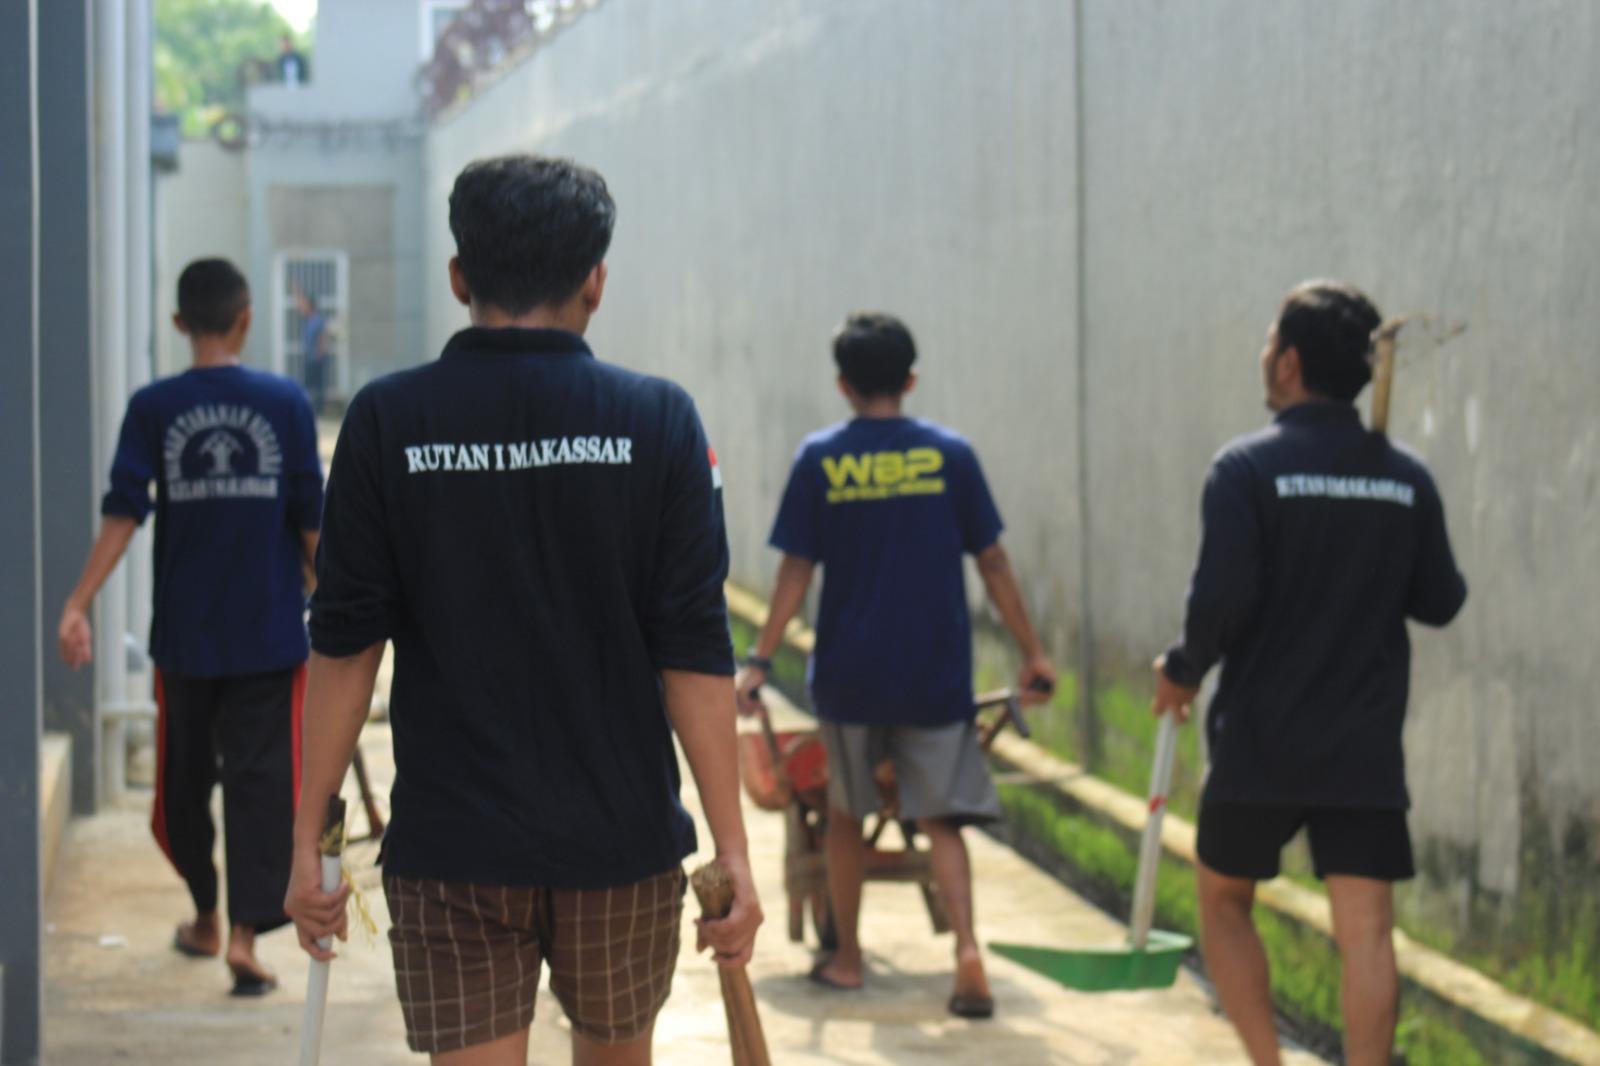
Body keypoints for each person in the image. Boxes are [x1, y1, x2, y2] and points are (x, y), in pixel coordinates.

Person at [284, 155, 762, 1065]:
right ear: (596, 281)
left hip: (453, 849)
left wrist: (309, 835)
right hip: (621, 846)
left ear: (459, 277)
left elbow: (344, 647)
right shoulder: (659, 420)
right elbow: (696, 652)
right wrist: (731, 848)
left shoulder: (388, 423)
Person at [1151, 281, 1467, 1066]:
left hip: (1260, 740)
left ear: (1288, 362)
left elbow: (1220, 602)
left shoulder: (1245, 469)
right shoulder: (1406, 478)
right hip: (1363, 747)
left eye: (1270, 342)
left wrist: (1183, 670)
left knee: (1225, 901)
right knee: (1367, 933)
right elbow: (1441, 601)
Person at [735, 313, 1056, 1019]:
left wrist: (759, 659)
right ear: (910, 380)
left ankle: (847, 961)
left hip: (850, 678)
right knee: (942, 821)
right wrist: (1032, 651)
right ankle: (967, 950)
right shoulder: (949, 455)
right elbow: (993, 560)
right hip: (934, 677)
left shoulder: (821, 460)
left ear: (843, 384)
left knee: (845, 818)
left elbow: (795, 571)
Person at [57, 257, 324, 996]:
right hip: (264, 634)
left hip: (191, 639)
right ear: (246, 319)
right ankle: (235, 932)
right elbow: (312, 519)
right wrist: (345, 608)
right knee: (260, 784)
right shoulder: (284, 402)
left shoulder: (156, 406)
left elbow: (122, 511)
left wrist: (78, 602)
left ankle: (214, 918)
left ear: (179, 322)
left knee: (186, 785)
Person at [295, 288, 328, 413]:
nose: (303, 307)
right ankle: (310, 405)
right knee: (308, 382)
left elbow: (322, 337)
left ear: (311, 306)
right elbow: (300, 305)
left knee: (318, 384)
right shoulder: (308, 319)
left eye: (306, 304)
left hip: (316, 357)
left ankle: (319, 408)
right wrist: (295, 289)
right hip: (310, 356)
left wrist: (319, 354)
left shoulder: (317, 319)